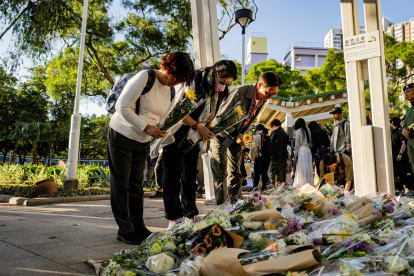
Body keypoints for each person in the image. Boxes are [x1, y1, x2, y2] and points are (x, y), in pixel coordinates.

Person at [107, 51, 195, 245]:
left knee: (136, 184)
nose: (174, 83)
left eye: (179, 81)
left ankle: (138, 226)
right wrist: (145, 126)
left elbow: (164, 116)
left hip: (143, 140)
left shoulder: (172, 91)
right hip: (122, 134)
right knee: (121, 184)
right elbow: (122, 107)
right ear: (165, 67)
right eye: (173, 77)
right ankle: (125, 229)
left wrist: (162, 130)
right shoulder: (145, 77)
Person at [162, 60, 237, 229]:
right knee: (172, 176)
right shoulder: (193, 81)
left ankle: (190, 214)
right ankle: (173, 218)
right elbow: (177, 111)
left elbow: (209, 113)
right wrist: (198, 126)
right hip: (178, 133)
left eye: (228, 83)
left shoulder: (217, 91)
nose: (223, 86)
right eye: (222, 81)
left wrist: (210, 127)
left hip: (194, 137)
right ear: (214, 74)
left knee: (190, 176)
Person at [209, 72, 283, 205]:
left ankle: (236, 204)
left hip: (236, 136)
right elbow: (220, 116)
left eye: (274, 94)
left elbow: (248, 120)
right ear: (260, 85)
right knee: (220, 174)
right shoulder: (240, 91)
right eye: (269, 92)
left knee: (236, 173)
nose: (271, 96)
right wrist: (234, 134)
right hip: (220, 135)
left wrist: (241, 133)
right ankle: (223, 208)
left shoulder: (262, 100)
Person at [390, 116, 414, 193]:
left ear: (392, 123)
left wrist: (400, 154)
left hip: (401, 157)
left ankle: (410, 188)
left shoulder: (399, 131)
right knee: (398, 173)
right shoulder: (394, 132)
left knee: (404, 173)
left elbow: (404, 143)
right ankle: (400, 188)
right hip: (396, 156)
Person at [293, 118, 313, 188]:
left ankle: (302, 184)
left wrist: (296, 155)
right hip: (308, 150)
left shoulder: (298, 131)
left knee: (301, 168)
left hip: (302, 150)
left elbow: (297, 144)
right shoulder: (308, 132)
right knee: (308, 168)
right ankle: (308, 184)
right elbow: (311, 144)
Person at [251, 124, 271, 192]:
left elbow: (254, 148)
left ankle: (255, 187)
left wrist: (253, 157)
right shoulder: (267, 136)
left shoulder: (256, 137)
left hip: (259, 157)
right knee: (264, 173)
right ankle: (264, 187)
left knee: (257, 173)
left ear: (258, 130)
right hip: (267, 157)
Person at [269, 119, 289, 187]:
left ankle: (276, 187)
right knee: (283, 170)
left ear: (274, 125)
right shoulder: (285, 133)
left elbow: (271, 145)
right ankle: (282, 186)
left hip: (275, 155)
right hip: (284, 155)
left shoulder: (274, 133)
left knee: (275, 171)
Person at [402, 83, 414, 172]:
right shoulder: (409, 110)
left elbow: (408, 126)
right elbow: (405, 124)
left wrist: (409, 128)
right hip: (410, 141)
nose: (406, 94)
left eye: (408, 91)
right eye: (405, 92)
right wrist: (403, 130)